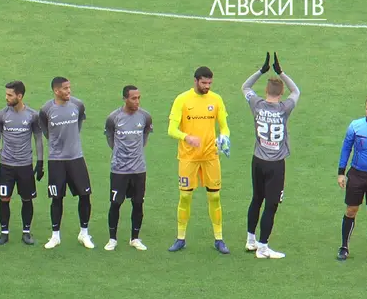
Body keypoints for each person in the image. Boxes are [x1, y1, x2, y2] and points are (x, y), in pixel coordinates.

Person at [167, 66, 231, 254]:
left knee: (215, 197)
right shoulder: (182, 100)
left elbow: (224, 126)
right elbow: (171, 130)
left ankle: (219, 239)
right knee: (185, 196)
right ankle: (180, 238)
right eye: (204, 83)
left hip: (211, 156)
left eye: (210, 83)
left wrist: (225, 137)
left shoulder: (216, 99)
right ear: (195, 81)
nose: (207, 86)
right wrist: (187, 137)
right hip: (188, 157)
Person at [241, 52, 299, 259]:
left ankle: (250, 240)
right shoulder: (285, 108)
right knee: (271, 204)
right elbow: (296, 91)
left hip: (258, 161)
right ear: (281, 93)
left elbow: (245, 87)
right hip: (276, 164)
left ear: (266, 91)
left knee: (256, 199)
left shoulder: (256, 105)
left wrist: (261, 71)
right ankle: (263, 247)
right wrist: (281, 73)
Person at [39, 77, 93, 249]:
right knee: (57, 198)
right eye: (65, 88)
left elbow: (79, 123)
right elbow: (46, 131)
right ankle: (55, 236)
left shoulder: (78, 105)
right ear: (56, 91)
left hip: (76, 158)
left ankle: (84, 233)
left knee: (85, 195)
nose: (69, 91)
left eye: (69, 87)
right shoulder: (46, 110)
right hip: (56, 160)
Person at [0, 80, 44, 245]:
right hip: (6, 166)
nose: (6, 97)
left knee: (27, 199)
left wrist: (40, 162)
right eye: (6, 94)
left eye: (10, 95)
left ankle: (26, 232)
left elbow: (38, 139)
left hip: (25, 166)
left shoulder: (33, 116)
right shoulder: (1, 115)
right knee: (4, 199)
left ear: (19, 96)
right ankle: (4, 232)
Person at [103, 85, 153, 251]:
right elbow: (110, 138)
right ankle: (112, 239)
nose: (137, 101)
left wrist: (137, 151)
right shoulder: (113, 118)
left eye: (138, 98)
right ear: (125, 99)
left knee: (138, 203)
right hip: (119, 169)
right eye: (133, 98)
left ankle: (135, 238)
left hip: (139, 169)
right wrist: (119, 152)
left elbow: (145, 134)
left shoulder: (145, 116)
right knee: (115, 203)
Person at [337, 95, 367, 261]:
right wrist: (341, 172)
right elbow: (346, 148)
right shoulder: (355, 126)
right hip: (357, 175)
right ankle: (344, 247)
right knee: (351, 210)